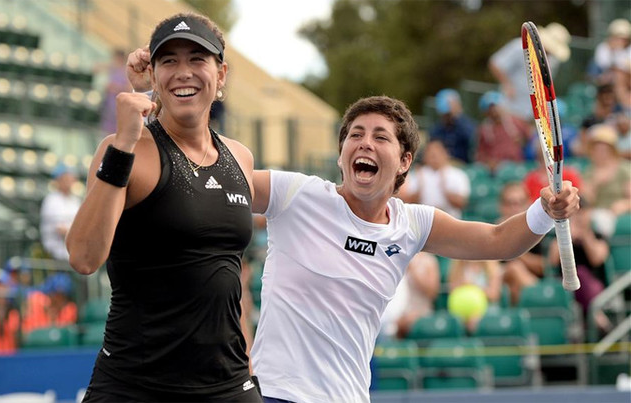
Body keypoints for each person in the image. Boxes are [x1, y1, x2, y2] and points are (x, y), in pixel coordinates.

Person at [125, 65, 580, 403]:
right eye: (355, 134)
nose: (365, 142)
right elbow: (210, 171)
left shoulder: (413, 222)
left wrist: (544, 210)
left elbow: (499, 241)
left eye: (381, 137)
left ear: (404, 161)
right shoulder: (296, 194)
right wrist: (161, 100)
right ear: (342, 154)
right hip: (276, 394)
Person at [66, 13, 262, 402]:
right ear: (153, 76)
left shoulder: (240, 157)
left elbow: (232, 277)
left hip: (228, 386)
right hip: (134, 387)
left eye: (197, 59)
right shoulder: (124, 149)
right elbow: (84, 256)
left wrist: (250, 368)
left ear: (220, 74)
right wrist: (123, 142)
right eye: (168, 61)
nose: (183, 72)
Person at [548, 198, 611, 332]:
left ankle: (596, 319)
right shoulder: (561, 237)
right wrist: (567, 236)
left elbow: (597, 259)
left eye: (584, 213)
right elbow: (552, 261)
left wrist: (585, 235)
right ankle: (599, 320)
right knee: (576, 275)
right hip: (566, 287)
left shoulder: (597, 236)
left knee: (580, 273)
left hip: (593, 285)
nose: (580, 218)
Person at [489, 22, 571, 121]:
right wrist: (507, 84)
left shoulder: (553, 61)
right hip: (509, 107)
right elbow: (496, 63)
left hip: (531, 114)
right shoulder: (519, 47)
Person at [497, 183, 545, 305]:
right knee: (514, 270)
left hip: (528, 280)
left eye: (520, 203)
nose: (515, 208)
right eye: (510, 203)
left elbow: (543, 267)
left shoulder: (537, 232)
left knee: (515, 276)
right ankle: (540, 301)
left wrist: (514, 249)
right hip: (498, 284)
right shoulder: (493, 232)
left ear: (528, 204)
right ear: (501, 206)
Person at [398, 139, 470, 219]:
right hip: (423, 220)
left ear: (446, 153)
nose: (434, 156)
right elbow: (407, 202)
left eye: (437, 152)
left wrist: (445, 188)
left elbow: (462, 204)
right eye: (430, 152)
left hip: (450, 219)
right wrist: (420, 188)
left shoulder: (458, 174)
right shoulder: (417, 174)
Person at [581, 123, 631, 238]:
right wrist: (595, 182)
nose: (600, 152)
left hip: (614, 213)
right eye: (597, 149)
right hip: (595, 213)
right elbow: (586, 201)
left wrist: (625, 205)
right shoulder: (589, 171)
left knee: (602, 221)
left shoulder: (624, 168)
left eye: (604, 149)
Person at [379, 252, 440, 340]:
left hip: (420, 312)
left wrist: (413, 271)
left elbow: (432, 293)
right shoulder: (395, 258)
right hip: (395, 313)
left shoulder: (428, 261)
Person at [475, 91, 532, 173]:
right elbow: (480, 153)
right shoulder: (484, 129)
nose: (494, 111)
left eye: (495, 107)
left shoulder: (515, 122)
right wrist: (488, 163)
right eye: (490, 109)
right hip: (493, 169)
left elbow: (532, 138)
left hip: (516, 166)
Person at [39, 163, 81, 261]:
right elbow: (60, 230)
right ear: (58, 180)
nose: (69, 181)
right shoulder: (51, 200)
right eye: (66, 178)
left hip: (72, 252)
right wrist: (80, 237)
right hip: (56, 255)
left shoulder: (75, 200)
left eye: (71, 178)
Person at [428, 88, 476, 164]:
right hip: (441, 165)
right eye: (444, 113)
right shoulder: (437, 129)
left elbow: (472, 148)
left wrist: (457, 117)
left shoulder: (467, 126)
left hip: (463, 166)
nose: (446, 116)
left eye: (448, 113)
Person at [98, 48, 133, 137]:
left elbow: (129, 89)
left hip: (119, 104)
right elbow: (97, 67)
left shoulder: (126, 71)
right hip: (109, 104)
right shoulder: (113, 69)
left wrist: (115, 88)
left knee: (117, 130)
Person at [589, 19, 631, 85]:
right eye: (619, 38)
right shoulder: (603, 47)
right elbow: (602, 64)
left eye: (624, 39)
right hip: (604, 76)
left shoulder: (628, 49)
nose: (621, 41)